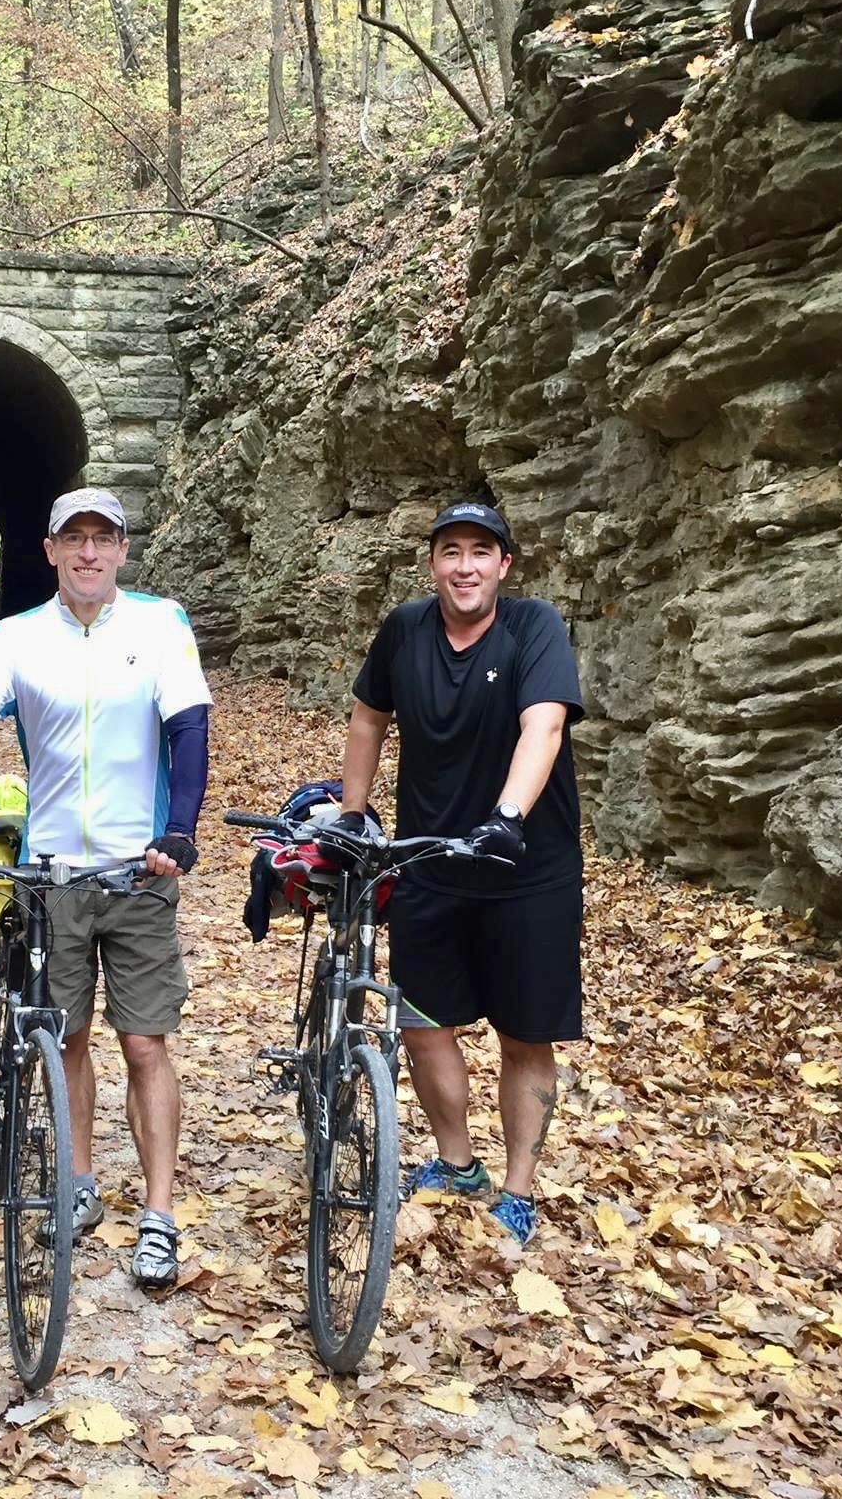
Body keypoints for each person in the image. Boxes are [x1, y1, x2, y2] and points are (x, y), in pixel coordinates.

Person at [0, 488, 210, 1287]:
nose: (89, 554)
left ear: (122, 551)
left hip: (138, 870)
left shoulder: (159, 624)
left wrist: (179, 829)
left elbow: (188, 728)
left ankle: (160, 1214)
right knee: (66, 1039)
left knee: (145, 1043)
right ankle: (76, 1185)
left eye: (103, 539)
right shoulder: (16, 638)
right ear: (48, 551)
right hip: (51, 877)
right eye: (74, 539)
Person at [335, 500, 583, 1246]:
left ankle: (517, 1189)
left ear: (504, 565)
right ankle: (457, 1161)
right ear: (433, 563)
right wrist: (352, 814)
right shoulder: (405, 630)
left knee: (524, 1033)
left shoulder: (533, 627)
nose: (465, 565)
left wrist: (506, 818)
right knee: (423, 1020)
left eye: (481, 551)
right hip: (430, 857)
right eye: (451, 551)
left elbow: (545, 724)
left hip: (525, 865)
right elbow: (366, 718)